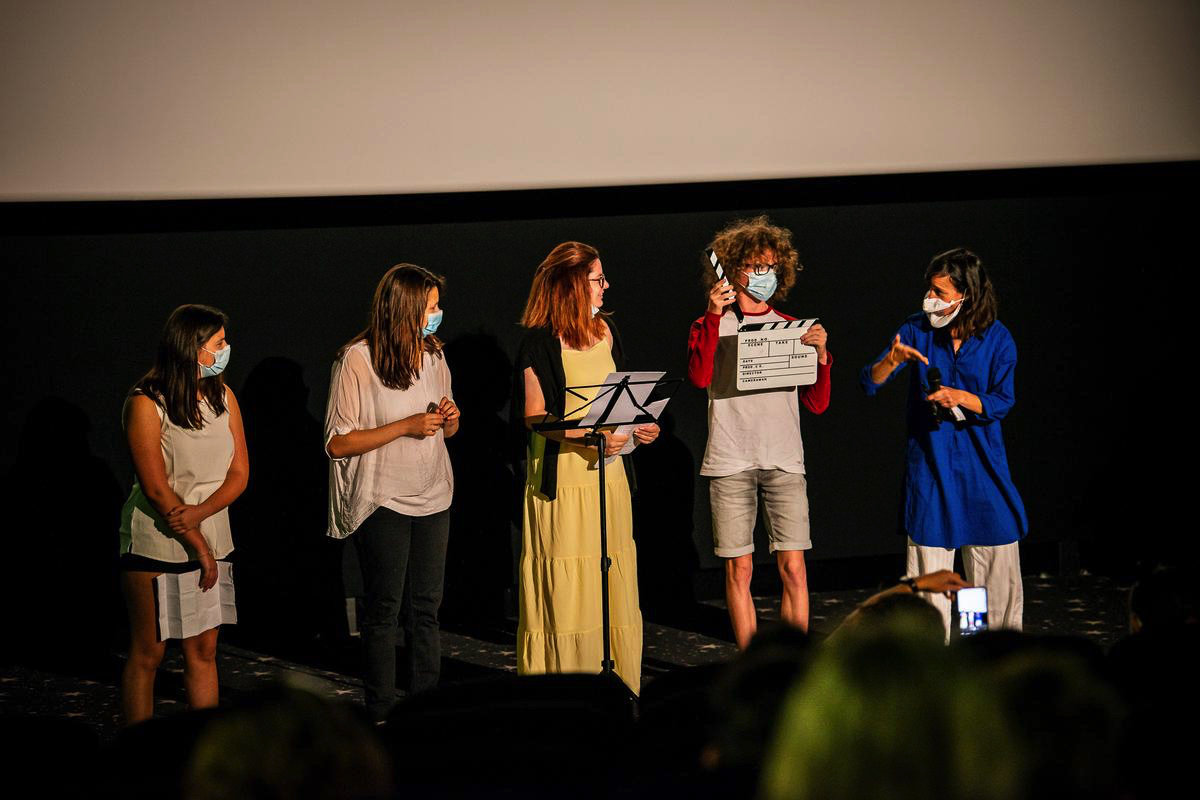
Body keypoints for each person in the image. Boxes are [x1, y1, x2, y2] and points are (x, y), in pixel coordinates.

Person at [512, 241, 659, 693]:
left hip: (608, 478)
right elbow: (536, 417)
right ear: (573, 284)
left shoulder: (608, 330)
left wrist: (641, 427)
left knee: (608, 578)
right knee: (567, 587)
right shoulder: (540, 340)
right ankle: (561, 691)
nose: (605, 285)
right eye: (598, 278)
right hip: (564, 482)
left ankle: (613, 685)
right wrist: (588, 436)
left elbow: (624, 399)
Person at [861, 247, 1027, 632]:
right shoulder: (916, 329)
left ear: (967, 295)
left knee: (987, 583)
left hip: (982, 472)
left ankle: (983, 652)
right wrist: (893, 360)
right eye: (930, 290)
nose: (931, 300)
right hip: (933, 473)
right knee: (930, 587)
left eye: (941, 292)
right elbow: (869, 381)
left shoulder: (997, 339)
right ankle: (933, 661)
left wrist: (961, 397)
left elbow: (1002, 400)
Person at [687, 216, 830, 649]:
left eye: (770, 267)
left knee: (794, 568)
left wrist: (822, 355)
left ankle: (793, 664)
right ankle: (751, 665)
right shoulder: (710, 324)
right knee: (739, 569)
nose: (761, 275)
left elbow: (817, 403)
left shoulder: (794, 327)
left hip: (784, 459)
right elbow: (697, 377)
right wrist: (713, 316)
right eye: (753, 266)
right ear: (732, 271)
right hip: (731, 460)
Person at [324, 264, 460, 721]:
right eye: (430, 307)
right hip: (383, 498)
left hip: (433, 493)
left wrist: (450, 416)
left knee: (427, 608)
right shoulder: (357, 359)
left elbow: (449, 427)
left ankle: (426, 710)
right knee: (384, 609)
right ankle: (381, 711)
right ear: (403, 309)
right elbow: (338, 442)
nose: (437, 315)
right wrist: (405, 426)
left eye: (438, 306)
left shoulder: (434, 354)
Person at [118, 304, 249, 725]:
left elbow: (239, 472)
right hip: (159, 540)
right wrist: (197, 543)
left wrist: (203, 516)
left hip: (212, 533)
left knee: (203, 650)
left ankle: (203, 746)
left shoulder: (223, 397)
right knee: (149, 652)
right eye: (219, 343)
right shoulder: (146, 402)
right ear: (193, 349)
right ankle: (136, 755)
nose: (226, 348)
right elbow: (156, 488)